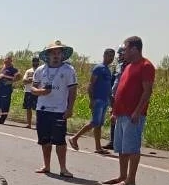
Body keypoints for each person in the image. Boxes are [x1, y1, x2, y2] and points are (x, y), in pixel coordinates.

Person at [104, 36, 155, 185]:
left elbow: (147, 91)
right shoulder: (128, 66)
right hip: (121, 113)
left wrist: (138, 111)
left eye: (125, 48)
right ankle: (122, 175)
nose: (123, 52)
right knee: (121, 147)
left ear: (134, 49)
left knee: (132, 148)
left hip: (133, 115)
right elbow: (121, 89)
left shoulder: (145, 66)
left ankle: (131, 179)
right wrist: (115, 111)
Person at [29, 40, 78, 177]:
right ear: (48, 55)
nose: (56, 55)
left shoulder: (68, 70)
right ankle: (46, 165)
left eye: (58, 53)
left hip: (59, 110)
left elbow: (73, 91)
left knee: (60, 140)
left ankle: (63, 168)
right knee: (45, 140)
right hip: (43, 109)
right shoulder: (40, 70)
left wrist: (70, 108)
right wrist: (41, 92)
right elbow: (33, 88)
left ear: (62, 55)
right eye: (53, 53)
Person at [69, 48, 116, 152]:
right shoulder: (98, 68)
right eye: (109, 56)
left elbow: (108, 86)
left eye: (112, 56)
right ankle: (74, 138)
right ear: (104, 55)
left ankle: (98, 147)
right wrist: (92, 99)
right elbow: (91, 85)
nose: (111, 58)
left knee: (99, 124)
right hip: (98, 100)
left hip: (105, 100)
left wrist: (111, 98)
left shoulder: (108, 70)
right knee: (94, 122)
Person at [21, 56, 39, 127]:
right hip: (28, 91)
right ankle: (29, 124)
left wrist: (31, 79)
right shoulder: (28, 71)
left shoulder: (41, 70)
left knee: (38, 109)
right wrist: (32, 79)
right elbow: (24, 81)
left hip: (37, 91)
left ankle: (39, 124)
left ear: (38, 62)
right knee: (28, 108)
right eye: (33, 61)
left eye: (36, 61)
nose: (35, 62)